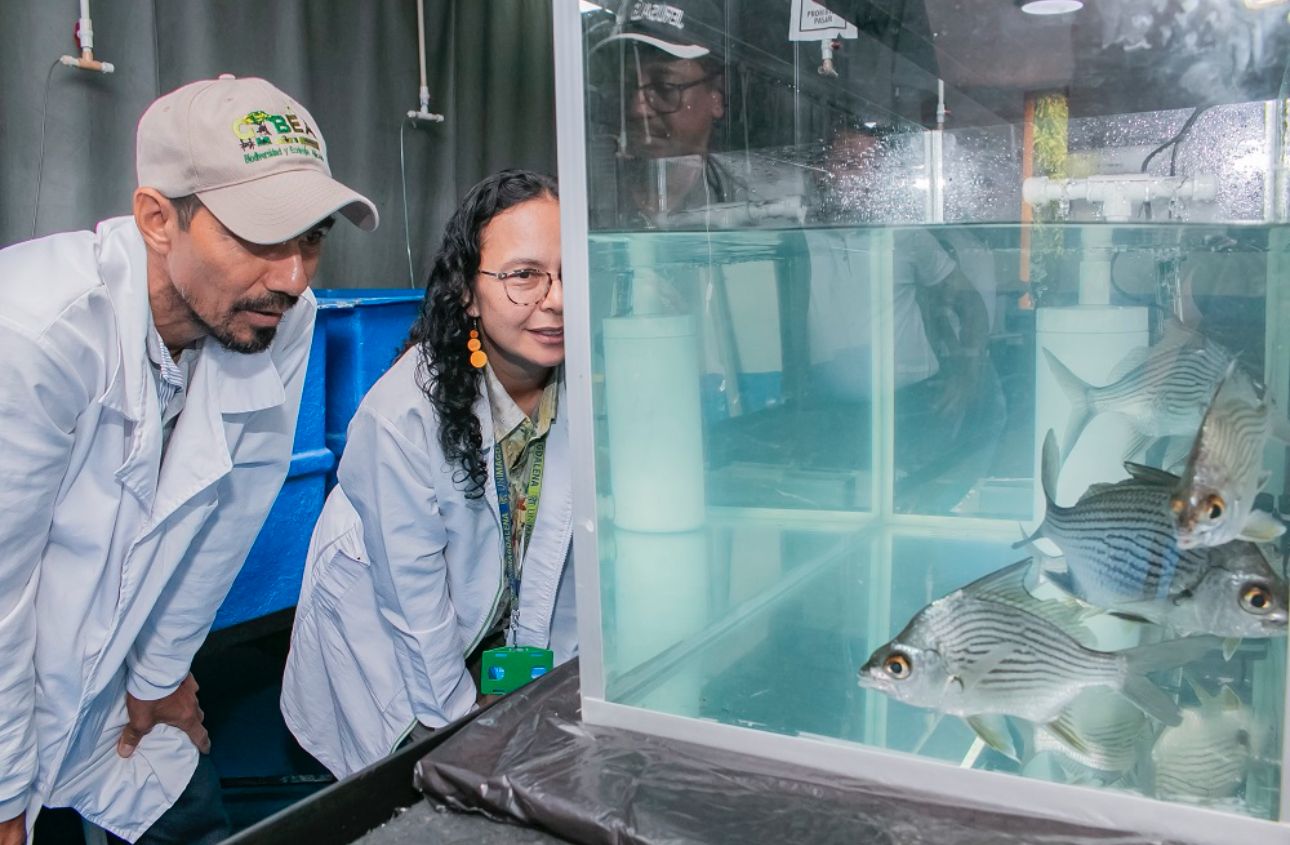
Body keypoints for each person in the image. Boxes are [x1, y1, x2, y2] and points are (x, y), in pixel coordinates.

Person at [0, 75, 377, 844]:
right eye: (262, 238)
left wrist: (159, 673)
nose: (294, 276)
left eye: (311, 237)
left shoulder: (274, 313)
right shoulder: (33, 335)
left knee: (191, 814)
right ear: (156, 218)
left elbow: (235, 506)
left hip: (104, 683)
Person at [281, 170, 575, 778]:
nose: (557, 300)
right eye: (524, 276)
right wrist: (458, 731)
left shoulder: (585, 392)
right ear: (468, 291)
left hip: (495, 645)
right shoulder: (401, 419)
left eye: (571, 273)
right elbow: (415, 616)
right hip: (390, 652)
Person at [806, 122, 1005, 512]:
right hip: (830, 415)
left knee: (917, 518)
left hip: (914, 407)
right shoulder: (795, 237)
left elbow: (970, 304)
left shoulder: (904, 235)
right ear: (822, 172)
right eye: (847, 164)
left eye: (872, 168)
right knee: (840, 520)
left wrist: (967, 374)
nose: (859, 178)